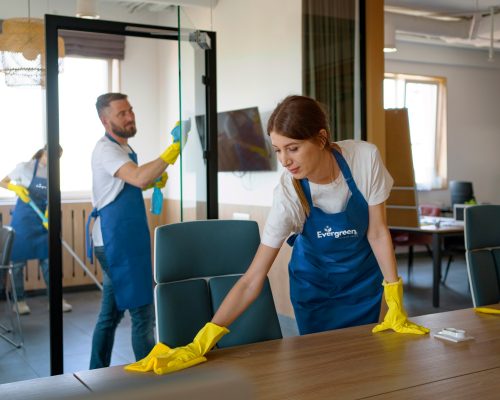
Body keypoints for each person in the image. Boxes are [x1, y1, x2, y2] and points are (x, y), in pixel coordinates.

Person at [126, 95, 430, 375]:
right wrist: (202, 341)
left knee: (365, 363)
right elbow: (251, 279)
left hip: (363, 285)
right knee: (324, 370)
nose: (284, 161)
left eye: (293, 148)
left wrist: (395, 299)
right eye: (278, 150)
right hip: (316, 290)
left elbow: (377, 232)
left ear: (321, 138)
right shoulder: (288, 194)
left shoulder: (364, 159)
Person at [87, 92, 185, 369]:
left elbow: (136, 179)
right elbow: (139, 177)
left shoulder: (123, 150)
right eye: (122, 114)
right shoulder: (106, 149)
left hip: (124, 239)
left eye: (130, 110)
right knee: (143, 312)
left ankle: (96, 371)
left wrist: (156, 178)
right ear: (105, 121)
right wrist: (173, 149)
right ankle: (149, 378)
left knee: (110, 315)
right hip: (116, 241)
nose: (130, 117)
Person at [0, 146, 72, 315]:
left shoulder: (53, 173)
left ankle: (56, 300)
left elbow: (53, 196)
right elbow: (3, 181)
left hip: (43, 222)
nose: (54, 160)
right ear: (44, 152)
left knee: (49, 261)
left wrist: (49, 213)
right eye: (52, 155)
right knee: (17, 264)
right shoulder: (25, 167)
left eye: (58, 158)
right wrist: (16, 189)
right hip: (23, 220)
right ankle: (20, 302)